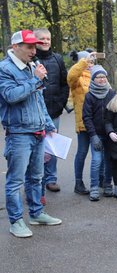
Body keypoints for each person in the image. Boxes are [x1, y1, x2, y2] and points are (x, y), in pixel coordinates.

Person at [0, 30, 61, 238]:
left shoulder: (32, 66)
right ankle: (16, 221)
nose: (34, 50)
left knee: (37, 176)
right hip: (18, 134)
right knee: (16, 181)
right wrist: (35, 80)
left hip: (38, 131)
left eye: (35, 46)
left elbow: (38, 100)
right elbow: (10, 96)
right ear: (15, 47)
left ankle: (36, 214)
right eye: (29, 47)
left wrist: (48, 124)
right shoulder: (4, 69)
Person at [34, 28, 69, 196]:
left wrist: (61, 103)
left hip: (54, 111)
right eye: (42, 39)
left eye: (48, 38)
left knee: (52, 147)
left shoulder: (58, 59)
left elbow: (64, 83)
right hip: (35, 113)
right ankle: (35, 181)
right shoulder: (30, 60)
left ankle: (51, 179)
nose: (46, 41)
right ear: (35, 41)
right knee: (35, 148)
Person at [82, 65, 115, 201]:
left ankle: (107, 184)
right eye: (98, 77)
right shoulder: (89, 96)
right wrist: (93, 135)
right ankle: (94, 186)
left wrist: (114, 131)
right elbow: (87, 117)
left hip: (110, 134)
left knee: (109, 160)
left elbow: (116, 113)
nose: (101, 80)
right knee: (96, 160)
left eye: (103, 77)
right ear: (93, 79)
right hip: (96, 134)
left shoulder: (111, 94)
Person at [67, 51, 95, 195]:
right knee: (82, 152)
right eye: (87, 61)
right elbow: (70, 76)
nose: (90, 63)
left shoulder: (96, 74)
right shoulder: (76, 78)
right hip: (84, 122)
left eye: (91, 61)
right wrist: (84, 62)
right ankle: (78, 183)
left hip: (98, 122)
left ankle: (100, 180)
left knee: (99, 153)